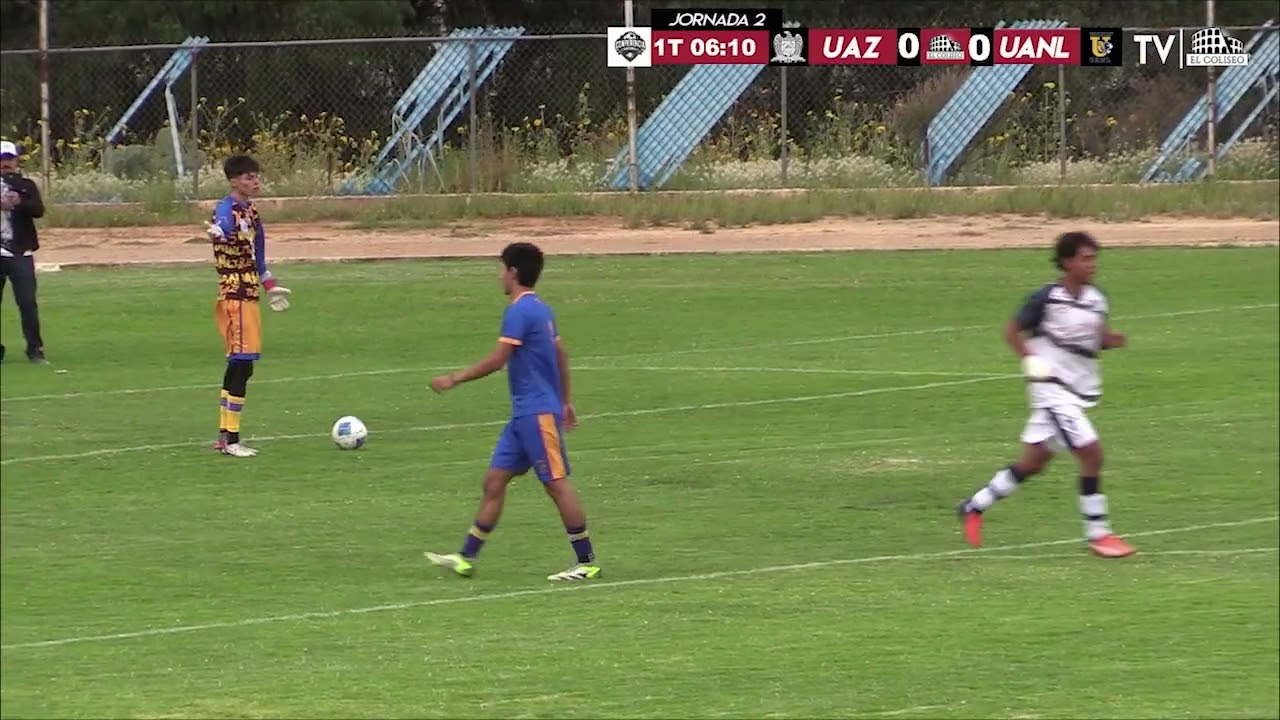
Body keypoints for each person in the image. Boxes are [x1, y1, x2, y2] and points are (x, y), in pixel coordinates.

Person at [425, 242, 601, 581]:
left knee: (556, 484)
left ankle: (587, 561)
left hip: (537, 414)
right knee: (494, 481)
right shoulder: (542, 310)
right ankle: (466, 557)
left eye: (502, 269)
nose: (499, 276)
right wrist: (565, 399)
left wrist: (454, 378)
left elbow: (498, 360)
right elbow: (561, 354)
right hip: (525, 415)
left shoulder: (520, 311)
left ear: (513, 272)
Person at [957, 231, 1136, 558]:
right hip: (1052, 392)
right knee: (1092, 454)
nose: (1092, 264)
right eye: (1085, 258)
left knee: (1034, 462)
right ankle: (1099, 534)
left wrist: (1112, 340)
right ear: (1067, 262)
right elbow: (1011, 331)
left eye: (1094, 258)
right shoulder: (1045, 299)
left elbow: (1092, 340)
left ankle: (974, 506)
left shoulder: (1098, 299)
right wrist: (1030, 359)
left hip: (1076, 391)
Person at [205, 155, 292, 458]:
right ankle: (230, 440)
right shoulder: (225, 209)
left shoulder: (252, 211)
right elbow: (223, 225)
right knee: (240, 364)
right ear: (233, 181)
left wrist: (269, 286)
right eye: (248, 178)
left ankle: (226, 437)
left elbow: (259, 253)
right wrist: (219, 232)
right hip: (235, 296)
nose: (255, 182)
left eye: (256, 177)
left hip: (250, 295)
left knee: (243, 365)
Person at [0, 140, 47, 364]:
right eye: (1, 159)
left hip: (20, 252)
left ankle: (35, 349)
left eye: (9, 159)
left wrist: (19, 201)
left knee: (28, 303)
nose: (5, 164)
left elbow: (38, 211)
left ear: (16, 160)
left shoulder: (26, 185)